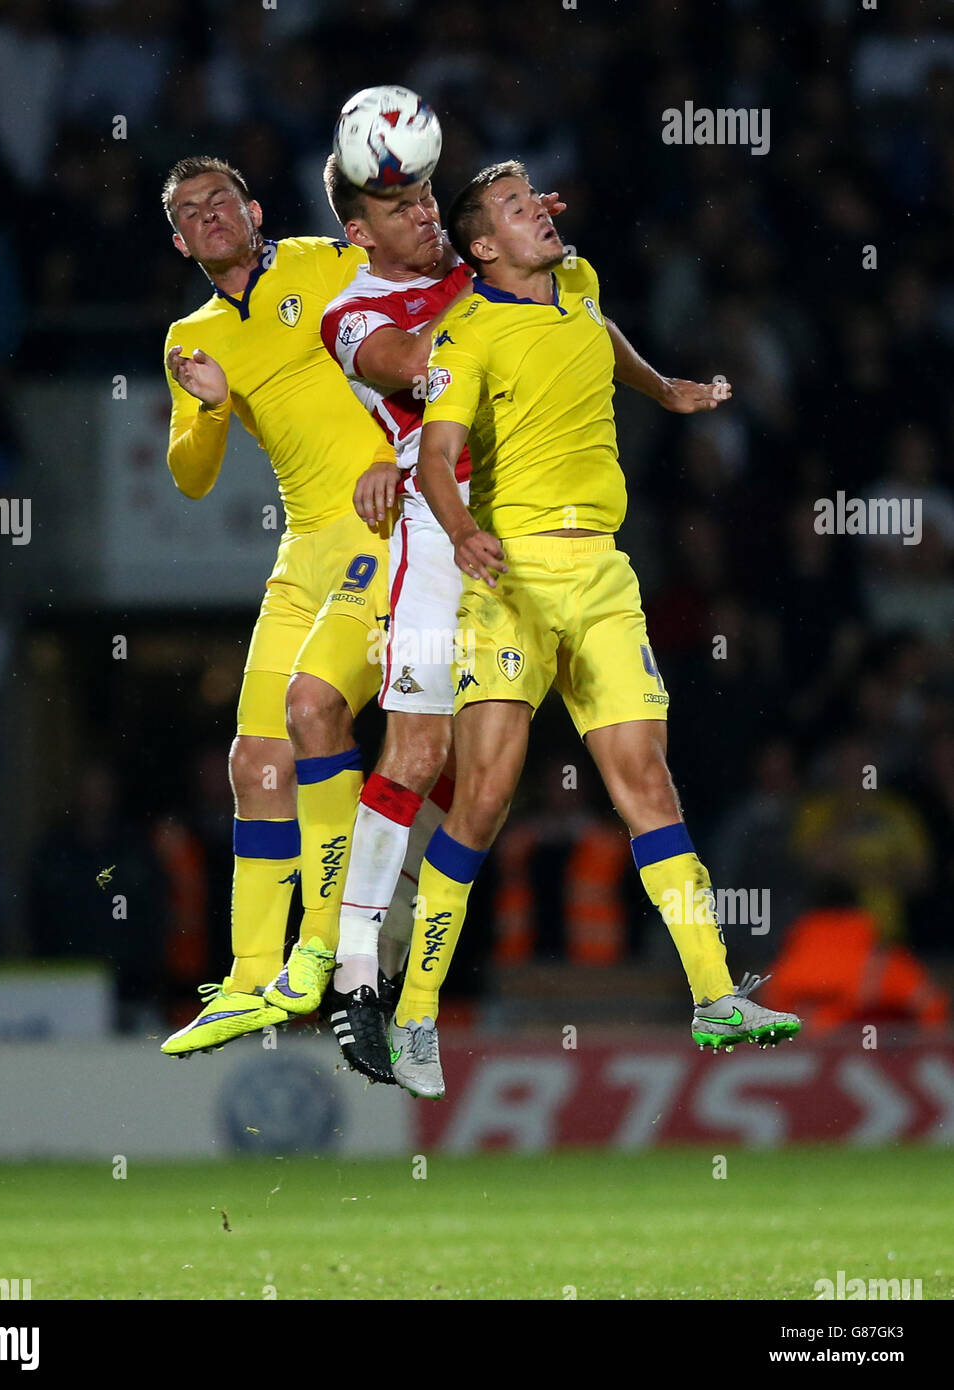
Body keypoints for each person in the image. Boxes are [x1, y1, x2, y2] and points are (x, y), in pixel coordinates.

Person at [399, 161, 801, 1096]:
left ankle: (713, 996)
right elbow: (436, 458)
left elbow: (598, 330)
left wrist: (665, 391)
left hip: (605, 574)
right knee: (486, 796)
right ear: (482, 247)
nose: (536, 208)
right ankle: (414, 1013)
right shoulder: (469, 331)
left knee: (646, 778)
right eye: (511, 206)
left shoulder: (573, 282)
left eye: (534, 195)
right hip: (513, 574)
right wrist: (464, 537)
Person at [316, 155, 565, 1083]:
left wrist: (530, 256)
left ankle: (401, 974)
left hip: (524, 529)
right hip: (434, 527)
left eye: (426, 197)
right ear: (360, 232)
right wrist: (512, 272)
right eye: (398, 205)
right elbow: (424, 364)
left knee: (487, 791)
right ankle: (355, 981)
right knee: (415, 754)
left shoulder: (478, 272)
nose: (422, 213)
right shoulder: (355, 316)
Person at [158, 155, 404, 1056]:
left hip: (383, 531)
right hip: (302, 553)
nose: (210, 215)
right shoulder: (192, 337)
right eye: (191, 210)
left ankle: (331, 950)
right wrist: (212, 407)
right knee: (253, 761)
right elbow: (190, 477)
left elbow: (421, 300)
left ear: (254, 210)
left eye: (222, 198)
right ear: (179, 240)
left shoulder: (328, 261)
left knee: (313, 709)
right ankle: (250, 979)